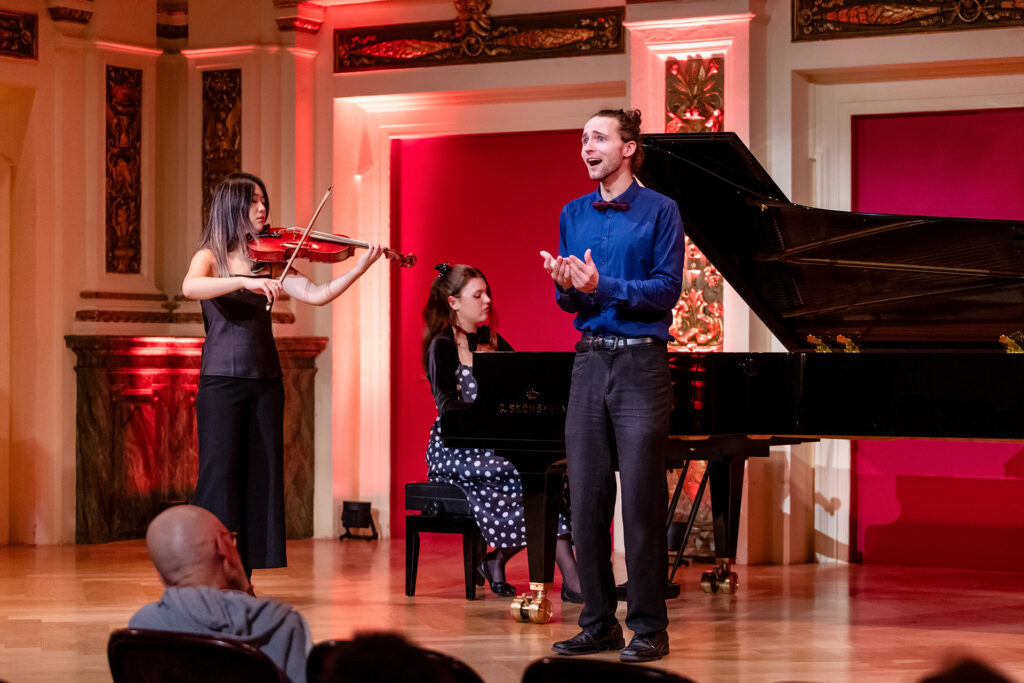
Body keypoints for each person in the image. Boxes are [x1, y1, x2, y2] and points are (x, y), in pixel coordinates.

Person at [182, 173, 384, 575]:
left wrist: (360, 267)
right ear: (232, 207)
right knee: (218, 476)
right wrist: (243, 281)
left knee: (263, 476)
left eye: (264, 201)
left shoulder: (273, 259)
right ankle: (207, 572)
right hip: (220, 381)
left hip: (266, 382)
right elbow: (190, 287)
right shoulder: (211, 255)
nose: (263, 209)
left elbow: (318, 295)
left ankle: (246, 576)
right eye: (254, 201)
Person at [540, 109, 684, 662]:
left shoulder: (662, 211)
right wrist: (567, 287)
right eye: (582, 139)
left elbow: (666, 291)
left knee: (642, 503)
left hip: (641, 365)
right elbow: (573, 301)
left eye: (598, 138)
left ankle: (649, 626)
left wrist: (604, 283)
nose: (587, 147)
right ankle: (598, 621)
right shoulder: (572, 213)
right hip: (589, 363)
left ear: (629, 148)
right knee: (587, 500)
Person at [422, 262, 581, 601]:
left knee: (552, 473)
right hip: (458, 446)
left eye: (487, 293)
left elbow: (521, 390)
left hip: (494, 443)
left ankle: (497, 558)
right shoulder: (442, 346)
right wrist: (490, 423)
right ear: (453, 302)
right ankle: (571, 577)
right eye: (477, 295)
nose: (487, 300)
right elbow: (447, 407)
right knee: (522, 475)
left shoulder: (493, 341)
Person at [129, 505, 312, 683]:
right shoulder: (282, 624)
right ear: (224, 545)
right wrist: (244, 587)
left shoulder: (143, 625)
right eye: (231, 539)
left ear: (161, 577)